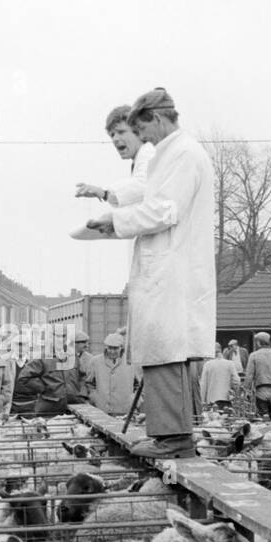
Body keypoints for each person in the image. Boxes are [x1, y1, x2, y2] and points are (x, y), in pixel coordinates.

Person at [78, 88, 215, 458]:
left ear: (156, 119)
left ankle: (173, 439)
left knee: (164, 350)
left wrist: (114, 221)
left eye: (143, 130)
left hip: (171, 268)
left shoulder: (182, 154)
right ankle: (171, 435)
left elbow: (164, 210)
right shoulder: (176, 153)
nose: (144, 140)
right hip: (170, 264)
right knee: (165, 350)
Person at [76, 103, 158, 209]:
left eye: (121, 132)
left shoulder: (148, 153)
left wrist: (104, 193)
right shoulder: (140, 157)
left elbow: (142, 185)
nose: (115, 139)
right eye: (112, 135)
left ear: (139, 133)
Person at [86, 332, 137, 415]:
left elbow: (140, 386)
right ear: (106, 347)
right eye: (110, 348)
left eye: (115, 348)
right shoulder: (95, 361)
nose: (112, 351)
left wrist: (134, 401)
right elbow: (89, 384)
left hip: (125, 410)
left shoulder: (131, 362)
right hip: (102, 409)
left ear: (121, 347)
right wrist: (95, 398)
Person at [245, 332, 271, 421]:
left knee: (263, 419)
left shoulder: (254, 355)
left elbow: (249, 376)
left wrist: (247, 390)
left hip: (261, 390)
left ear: (258, 343)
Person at [200, 343, 238, 410]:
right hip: (227, 400)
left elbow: (203, 385)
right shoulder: (230, 364)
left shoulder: (207, 365)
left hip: (212, 401)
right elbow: (237, 381)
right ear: (221, 350)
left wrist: (202, 401)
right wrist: (232, 390)